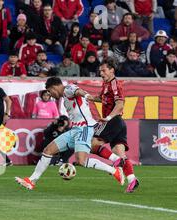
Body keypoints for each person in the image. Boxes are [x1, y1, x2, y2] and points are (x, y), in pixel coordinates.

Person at [15, 76, 124, 190]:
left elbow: (78, 91)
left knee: (81, 161)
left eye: (50, 92)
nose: (51, 95)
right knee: (48, 150)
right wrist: (96, 98)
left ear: (54, 87)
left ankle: (114, 171)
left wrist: (87, 96)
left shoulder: (68, 89)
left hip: (85, 129)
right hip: (75, 129)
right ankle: (31, 181)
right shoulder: (65, 96)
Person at [87, 59, 140, 193]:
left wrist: (108, 118)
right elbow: (101, 98)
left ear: (112, 70)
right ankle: (132, 180)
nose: (101, 73)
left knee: (93, 144)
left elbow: (120, 104)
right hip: (119, 122)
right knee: (119, 153)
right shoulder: (106, 84)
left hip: (114, 121)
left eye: (104, 70)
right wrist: (86, 96)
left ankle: (115, 164)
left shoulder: (115, 84)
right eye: (100, 71)